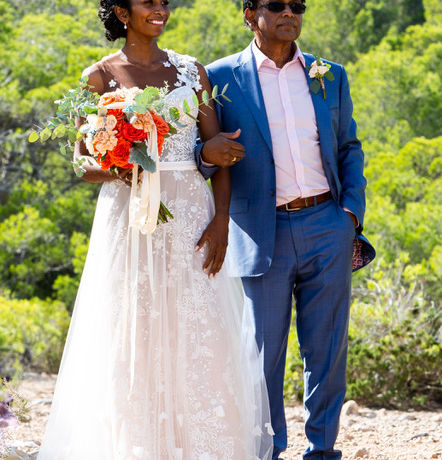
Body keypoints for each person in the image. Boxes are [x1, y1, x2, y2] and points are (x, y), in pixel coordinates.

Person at [37, 1, 273, 459]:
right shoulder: (100, 76)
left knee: (197, 326)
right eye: (149, 2)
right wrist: (119, 167)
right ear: (123, 13)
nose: (160, 9)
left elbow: (217, 151)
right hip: (128, 218)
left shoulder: (192, 71)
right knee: (133, 329)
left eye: (165, 2)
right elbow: (82, 162)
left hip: (189, 213)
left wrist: (222, 219)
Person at [197, 1, 376, 459]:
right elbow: (201, 150)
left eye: (297, 5)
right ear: (248, 13)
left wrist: (349, 215)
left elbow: (349, 146)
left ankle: (322, 452)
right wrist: (205, 157)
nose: (289, 13)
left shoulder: (328, 73)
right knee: (261, 359)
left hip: (327, 226)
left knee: (327, 353)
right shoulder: (218, 77)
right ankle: (266, 451)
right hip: (260, 230)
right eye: (276, 5)